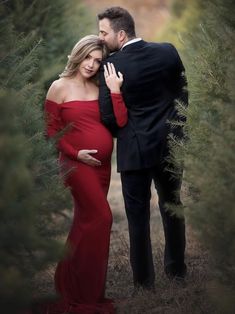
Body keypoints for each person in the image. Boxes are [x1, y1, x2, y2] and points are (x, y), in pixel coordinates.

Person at [97, 7, 188, 291]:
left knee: (137, 217)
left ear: (121, 34)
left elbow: (108, 118)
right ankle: (177, 271)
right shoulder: (168, 51)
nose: (100, 37)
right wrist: (175, 131)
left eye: (104, 32)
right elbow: (183, 94)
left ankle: (143, 282)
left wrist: (124, 131)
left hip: (134, 151)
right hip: (170, 146)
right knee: (172, 206)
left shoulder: (110, 66)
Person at [42, 35, 127, 314]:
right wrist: (75, 153)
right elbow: (51, 131)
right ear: (78, 55)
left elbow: (119, 121)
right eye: (88, 57)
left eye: (97, 60)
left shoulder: (99, 86)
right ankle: (82, 292)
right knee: (102, 217)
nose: (91, 65)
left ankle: (72, 285)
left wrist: (115, 91)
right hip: (75, 164)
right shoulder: (59, 87)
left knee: (86, 222)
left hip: (101, 167)